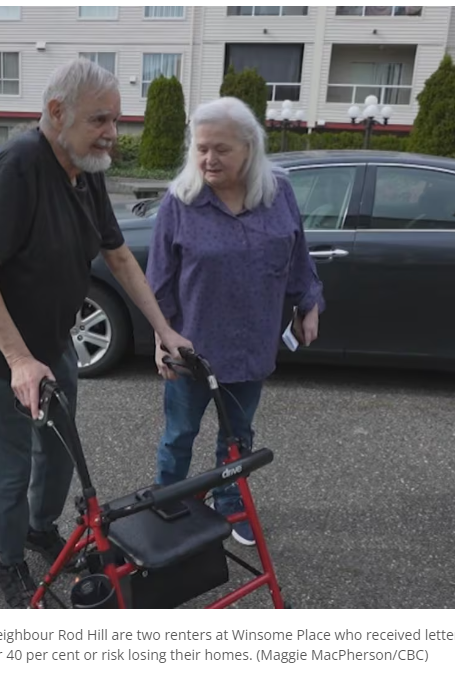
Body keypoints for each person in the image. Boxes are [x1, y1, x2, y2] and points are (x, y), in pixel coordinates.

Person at [0, 58, 191, 608]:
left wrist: (163, 329)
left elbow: (118, 255)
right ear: (57, 113)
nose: (112, 133)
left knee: (56, 455)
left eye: (116, 120)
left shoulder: (86, 170)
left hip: (53, 342)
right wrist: (19, 361)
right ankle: (8, 560)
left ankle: (39, 528)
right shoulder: (19, 168)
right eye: (101, 119)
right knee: (7, 469)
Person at [146, 97, 324, 546]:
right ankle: (169, 505)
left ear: (249, 147)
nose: (209, 158)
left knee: (237, 436)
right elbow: (158, 281)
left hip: (251, 346)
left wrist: (309, 303)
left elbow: (297, 256)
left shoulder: (278, 194)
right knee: (179, 434)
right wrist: (159, 338)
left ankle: (230, 505)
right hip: (192, 349)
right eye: (202, 148)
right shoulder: (180, 202)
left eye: (221, 149)